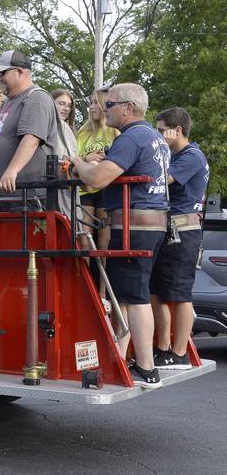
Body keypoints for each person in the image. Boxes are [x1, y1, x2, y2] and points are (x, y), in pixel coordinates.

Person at [70, 83, 170, 389]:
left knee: (134, 296)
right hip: (152, 223)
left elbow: (97, 180)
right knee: (130, 294)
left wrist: (77, 163)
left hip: (133, 225)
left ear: (128, 107)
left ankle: (146, 368)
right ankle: (126, 358)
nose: (105, 109)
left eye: (110, 104)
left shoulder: (132, 136)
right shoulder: (153, 137)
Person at [150, 107, 209, 370]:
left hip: (183, 232)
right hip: (169, 229)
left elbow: (164, 179)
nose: (159, 135)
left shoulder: (191, 157)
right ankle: (163, 348)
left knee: (180, 294)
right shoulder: (177, 155)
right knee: (159, 292)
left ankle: (180, 352)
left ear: (178, 131)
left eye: (162, 130)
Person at [0, 50, 56, 208]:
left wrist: (12, 171)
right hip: (7, 194)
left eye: (3, 73)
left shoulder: (36, 97)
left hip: (29, 196)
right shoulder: (10, 100)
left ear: (20, 72)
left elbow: (31, 138)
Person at [77, 87, 120, 303]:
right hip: (85, 189)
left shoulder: (114, 131)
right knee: (84, 241)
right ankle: (85, 289)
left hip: (106, 189)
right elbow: (72, 158)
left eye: (95, 102)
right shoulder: (83, 131)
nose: (92, 106)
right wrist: (87, 158)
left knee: (104, 244)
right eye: (91, 102)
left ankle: (103, 292)